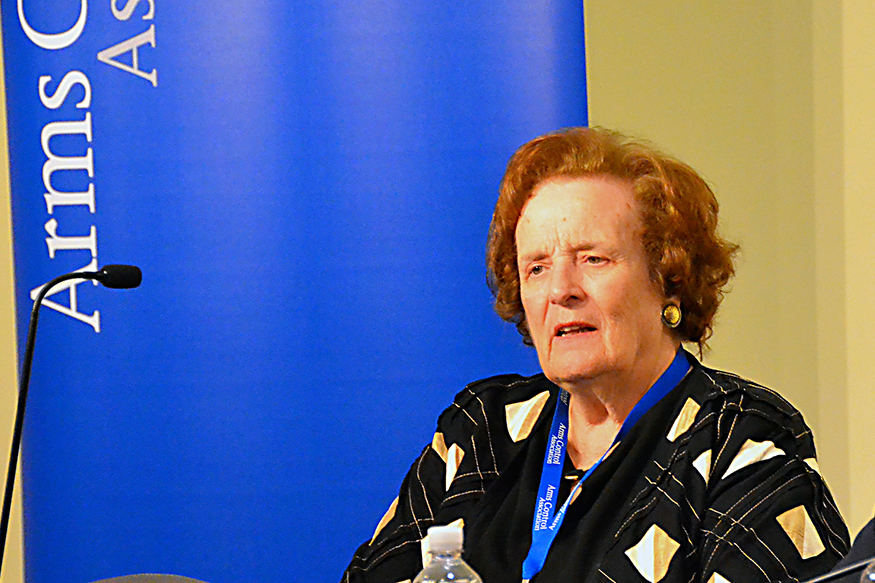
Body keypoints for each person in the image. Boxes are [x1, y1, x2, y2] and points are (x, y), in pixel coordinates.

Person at [341, 127, 849, 583]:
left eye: (593, 259)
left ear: (667, 280)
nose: (561, 289)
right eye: (536, 267)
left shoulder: (741, 439)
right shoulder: (480, 431)